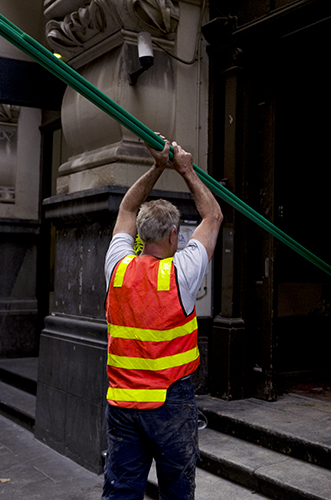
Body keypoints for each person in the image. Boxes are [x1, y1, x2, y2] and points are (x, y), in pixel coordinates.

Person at [102, 138, 223, 500]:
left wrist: (156, 167)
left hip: (122, 403)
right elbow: (213, 216)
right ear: (174, 236)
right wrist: (184, 168)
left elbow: (126, 209)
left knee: (121, 490)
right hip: (170, 404)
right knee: (177, 491)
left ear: (140, 235)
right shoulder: (181, 274)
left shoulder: (116, 268)